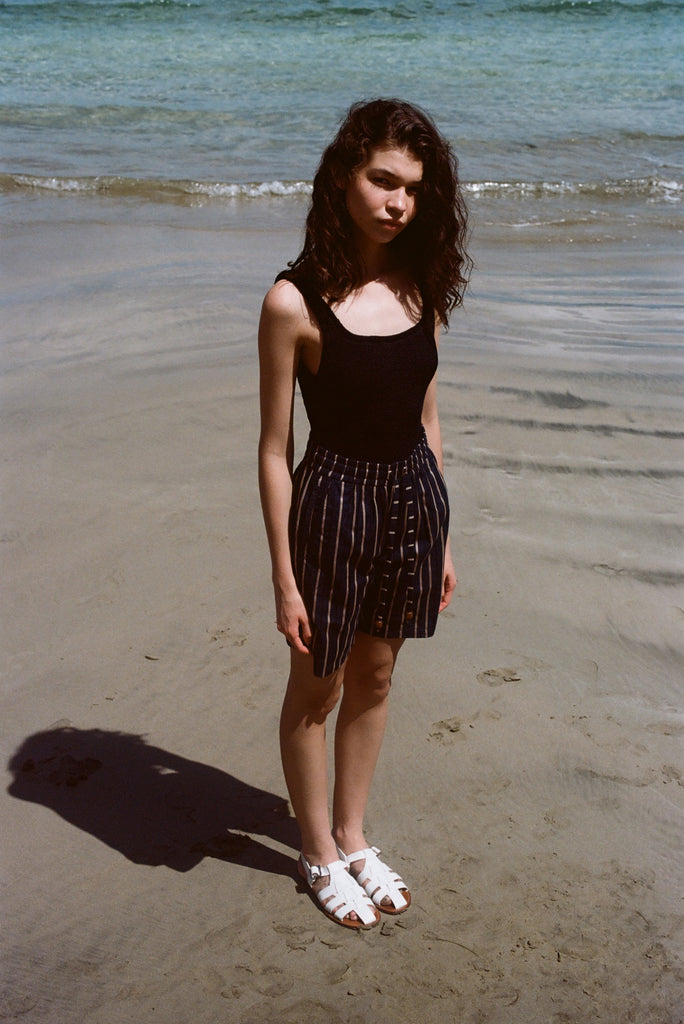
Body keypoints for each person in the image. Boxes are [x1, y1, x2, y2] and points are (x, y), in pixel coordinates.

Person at [258, 98, 470, 929]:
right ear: (344, 176)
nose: (398, 202)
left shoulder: (424, 289)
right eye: (383, 181)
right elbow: (274, 450)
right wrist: (282, 577)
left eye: (414, 189)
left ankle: (352, 834)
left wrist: (443, 533)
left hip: (414, 499)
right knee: (318, 687)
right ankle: (315, 852)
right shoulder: (292, 301)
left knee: (378, 677)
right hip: (332, 504)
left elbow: (428, 419)